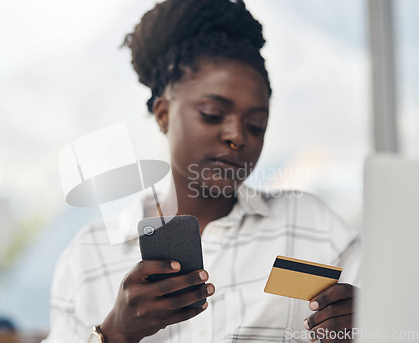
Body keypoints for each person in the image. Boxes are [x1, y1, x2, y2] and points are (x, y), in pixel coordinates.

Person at [43, 0, 361, 342]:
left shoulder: (312, 226)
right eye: (212, 114)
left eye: (255, 125)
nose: (237, 136)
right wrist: (115, 333)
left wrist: (367, 327)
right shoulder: (89, 254)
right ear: (164, 115)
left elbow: (393, 325)